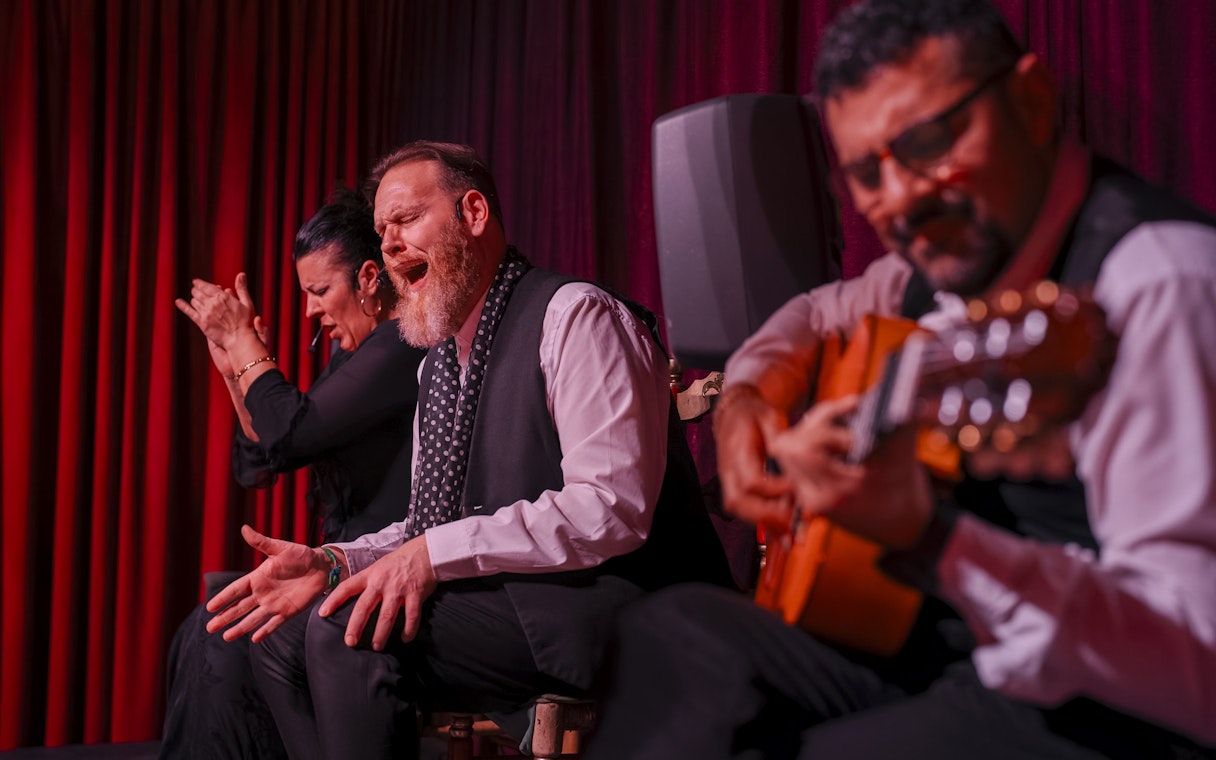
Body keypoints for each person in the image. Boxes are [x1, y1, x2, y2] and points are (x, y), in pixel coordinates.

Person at [583, 1, 1216, 758]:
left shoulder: (1158, 285)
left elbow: (1199, 673)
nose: (901, 198)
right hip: (952, 651)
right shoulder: (946, 268)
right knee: (675, 636)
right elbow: (814, 314)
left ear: (1032, 100)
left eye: (928, 143)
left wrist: (934, 537)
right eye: (865, 173)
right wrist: (748, 396)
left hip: (1106, 705)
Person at [203, 141, 731, 760]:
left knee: (344, 633)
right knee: (276, 638)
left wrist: (430, 554)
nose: (390, 245)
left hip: (622, 605)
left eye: (406, 220)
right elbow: (433, 523)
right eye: (381, 231)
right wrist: (337, 560)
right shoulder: (440, 368)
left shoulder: (577, 316)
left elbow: (609, 507)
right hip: (512, 603)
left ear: (474, 214)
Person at [162, 190, 427, 759]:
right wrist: (236, 371)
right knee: (210, 621)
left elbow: (293, 431)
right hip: (341, 571)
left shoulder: (402, 344)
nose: (310, 310)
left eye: (318, 291)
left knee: (223, 637)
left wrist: (244, 339)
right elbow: (263, 460)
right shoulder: (353, 356)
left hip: (388, 574)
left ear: (369, 277)